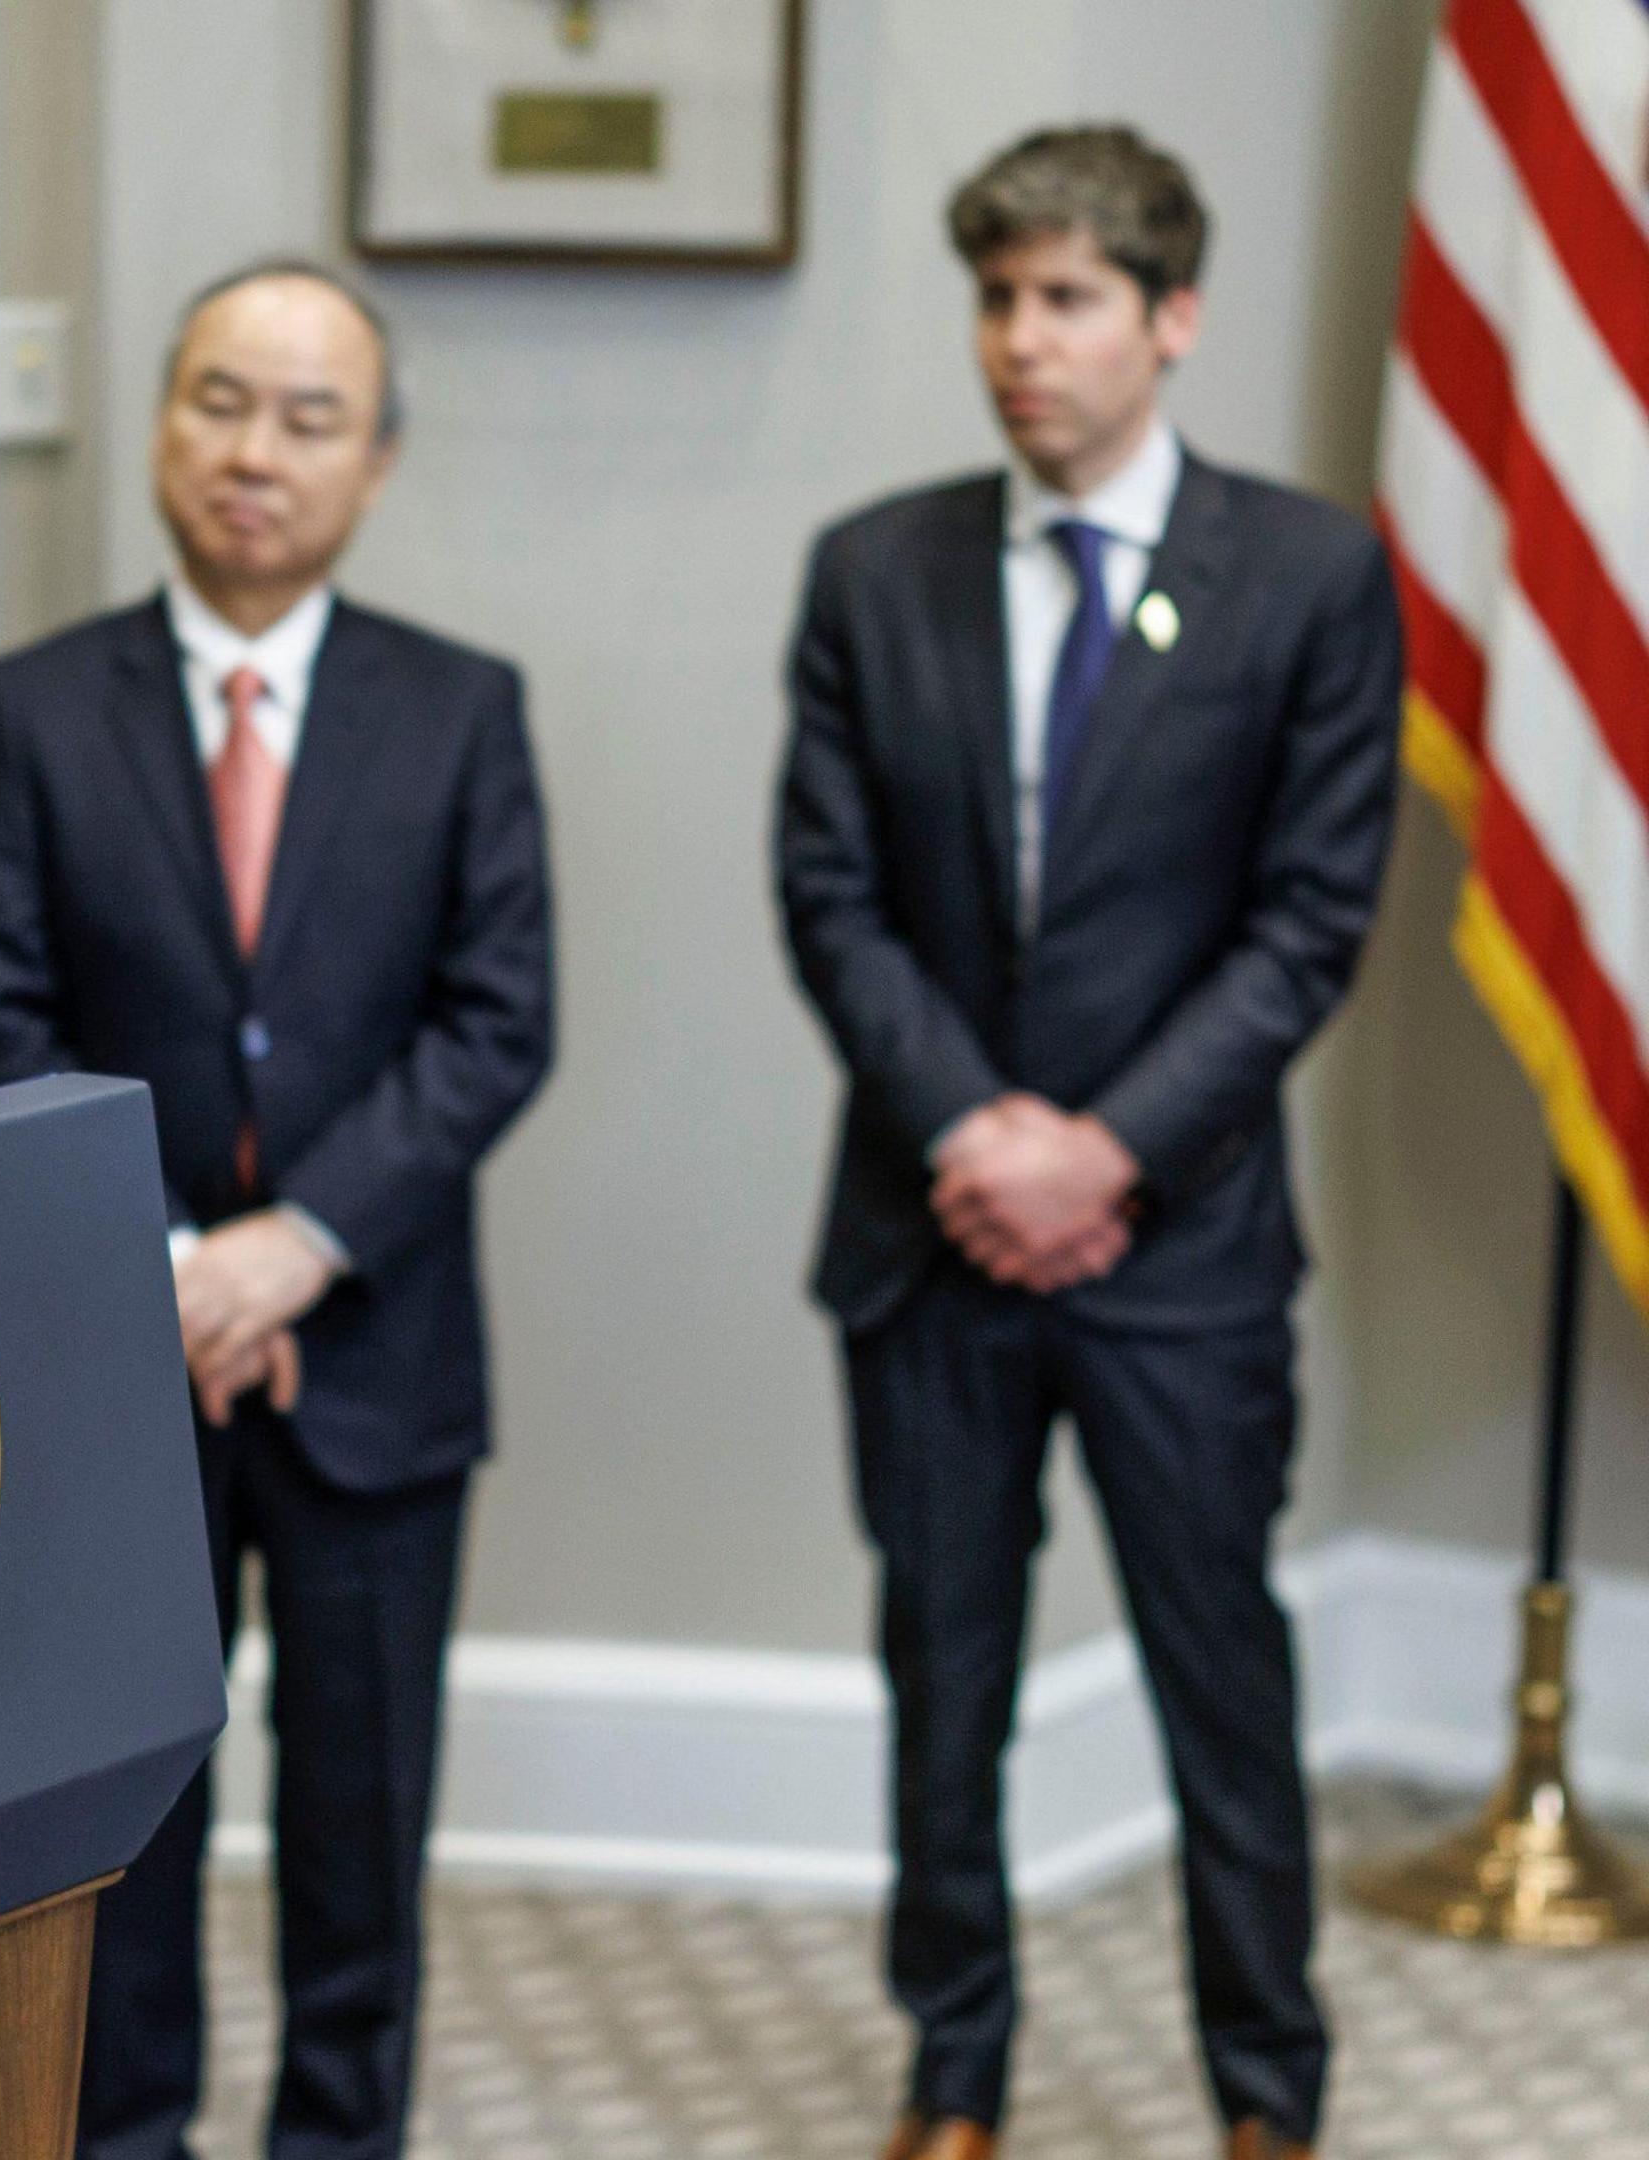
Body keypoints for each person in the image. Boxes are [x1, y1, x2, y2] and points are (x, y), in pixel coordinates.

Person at [772, 126, 1398, 2160]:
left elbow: (1309, 922)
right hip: (926, 1231)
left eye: (1065, 301)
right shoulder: (877, 568)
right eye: (996, 300)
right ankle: (956, 2074)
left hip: (1184, 1249)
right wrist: (973, 1129)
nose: (1020, 345)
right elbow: (830, 893)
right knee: (943, 1687)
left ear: (1172, 319)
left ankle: (1266, 2097)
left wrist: (1102, 1153)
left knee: (1225, 1691)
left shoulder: (1306, 576)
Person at [0, 260, 553, 2160]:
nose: (255, 454)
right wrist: (182, 1271)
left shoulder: (462, 712)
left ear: (374, 463)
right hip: (121, 1366)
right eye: (219, 401)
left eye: (308, 419)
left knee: (362, 1834)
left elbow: (498, 1019)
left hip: (378, 1358)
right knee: (127, 1829)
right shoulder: (36, 710)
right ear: (158, 425)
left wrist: (302, 1246)